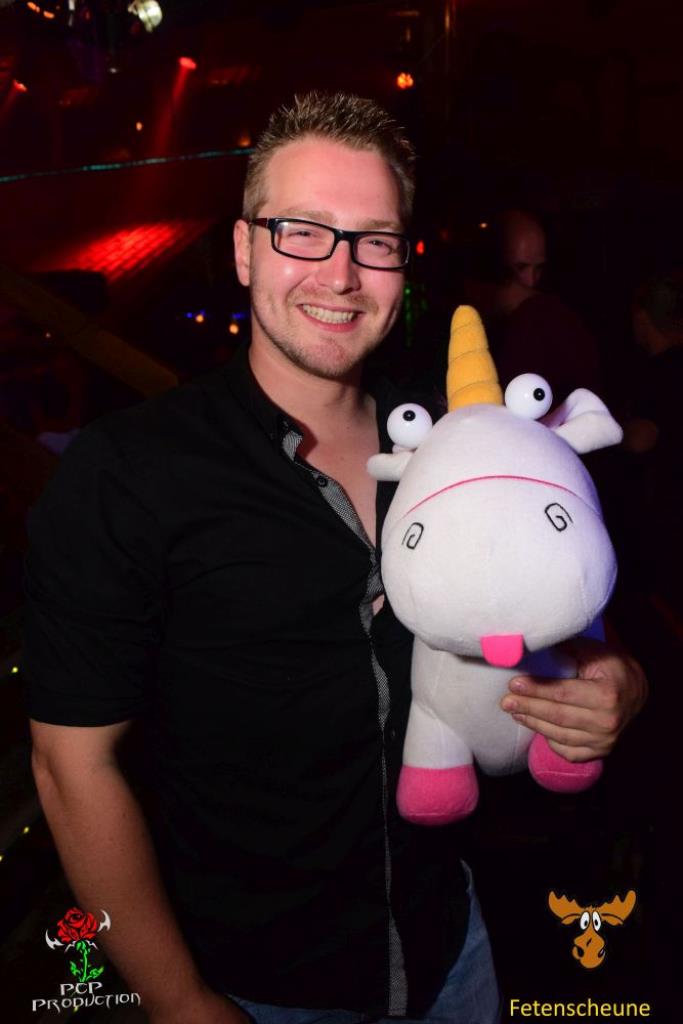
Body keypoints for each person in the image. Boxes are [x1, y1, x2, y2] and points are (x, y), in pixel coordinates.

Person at [23, 92, 647, 1024]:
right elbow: (72, 766)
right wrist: (177, 998)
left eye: (374, 240)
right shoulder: (130, 474)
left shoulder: (458, 441)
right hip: (253, 986)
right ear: (244, 249)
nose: (341, 274)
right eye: (302, 232)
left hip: (454, 947)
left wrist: (613, 675)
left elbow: (564, 599)